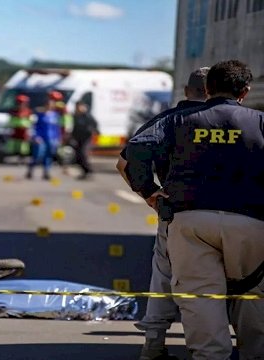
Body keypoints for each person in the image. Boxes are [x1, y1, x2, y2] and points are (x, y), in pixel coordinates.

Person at [125, 60, 264, 359]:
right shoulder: (259, 121)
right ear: (245, 92)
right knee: (253, 294)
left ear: (207, 89)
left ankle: (210, 354)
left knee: (200, 298)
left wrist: (150, 193)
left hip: (190, 221)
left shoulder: (177, 121)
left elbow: (134, 151)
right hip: (252, 224)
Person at [116, 66, 209, 360]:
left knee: (164, 278)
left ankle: (153, 346)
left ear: (185, 91)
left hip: (175, 213)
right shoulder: (236, 121)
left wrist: (150, 194)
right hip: (236, 215)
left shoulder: (168, 121)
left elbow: (124, 163)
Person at [26, 92, 63, 180]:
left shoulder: (55, 115)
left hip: (51, 138)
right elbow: (33, 126)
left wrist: (58, 138)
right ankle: (30, 170)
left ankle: (46, 172)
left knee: (48, 156)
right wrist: (35, 136)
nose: (50, 106)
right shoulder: (39, 115)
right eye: (48, 104)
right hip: (40, 138)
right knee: (38, 155)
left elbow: (56, 128)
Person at [68, 101, 99, 179]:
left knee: (83, 153)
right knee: (78, 156)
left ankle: (89, 170)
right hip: (78, 138)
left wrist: (92, 129)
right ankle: (85, 171)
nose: (79, 108)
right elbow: (72, 127)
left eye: (80, 106)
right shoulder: (74, 116)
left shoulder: (87, 116)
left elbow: (94, 125)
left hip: (86, 138)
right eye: (77, 107)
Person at [6, 94, 32, 163]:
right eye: (19, 103)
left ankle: (22, 158)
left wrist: (29, 129)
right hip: (15, 130)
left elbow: (30, 121)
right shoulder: (13, 111)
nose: (21, 105)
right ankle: (14, 156)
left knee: (23, 146)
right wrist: (8, 128)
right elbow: (10, 120)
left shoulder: (28, 111)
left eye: (23, 103)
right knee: (14, 144)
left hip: (24, 130)